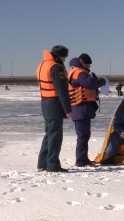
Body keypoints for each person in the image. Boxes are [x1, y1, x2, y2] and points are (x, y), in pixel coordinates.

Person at [37, 45, 72, 173]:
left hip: (45, 103)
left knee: (49, 134)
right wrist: (67, 108)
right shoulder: (56, 68)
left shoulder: (43, 64)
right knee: (55, 136)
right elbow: (62, 90)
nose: (65, 59)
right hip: (54, 104)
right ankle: (52, 164)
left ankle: (42, 163)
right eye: (64, 56)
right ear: (58, 56)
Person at [68, 53, 106, 167]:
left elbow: (85, 87)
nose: (89, 67)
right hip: (80, 109)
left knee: (84, 135)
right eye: (88, 64)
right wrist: (102, 81)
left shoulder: (77, 72)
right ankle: (81, 160)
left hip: (81, 109)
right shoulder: (79, 73)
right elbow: (89, 83)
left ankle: (83, 158)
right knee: (83, 135)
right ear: (83, 62)